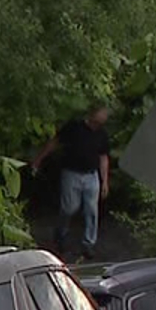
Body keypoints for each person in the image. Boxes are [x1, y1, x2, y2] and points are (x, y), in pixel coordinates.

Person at [34, 105, 113, 261]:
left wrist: (104, 181)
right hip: (72, 173)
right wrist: (39, 159)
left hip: (91, 176)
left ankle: (88, 243)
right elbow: (55, 142)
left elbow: (104, 157)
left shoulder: (102, 135)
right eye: (101, 113)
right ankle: (60, 234)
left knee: (91, 210)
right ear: (93, 113)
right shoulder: (74, 127)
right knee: (69, 208)